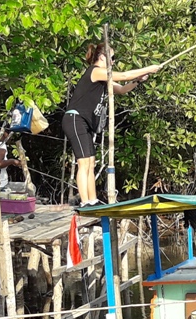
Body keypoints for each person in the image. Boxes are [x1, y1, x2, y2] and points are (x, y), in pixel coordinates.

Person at [64, 43, 159, 206]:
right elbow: (124, 75)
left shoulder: (102, 77)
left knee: (91, 161)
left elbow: (122, 89)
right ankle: (85, 201)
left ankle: (92, 200)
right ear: (102, 57)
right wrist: (147, 68)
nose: (113, 62)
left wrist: (138, 80)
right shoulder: (96, 71)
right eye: (112, 58)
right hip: (75, 119)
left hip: (84, 123)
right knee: (83, 162)